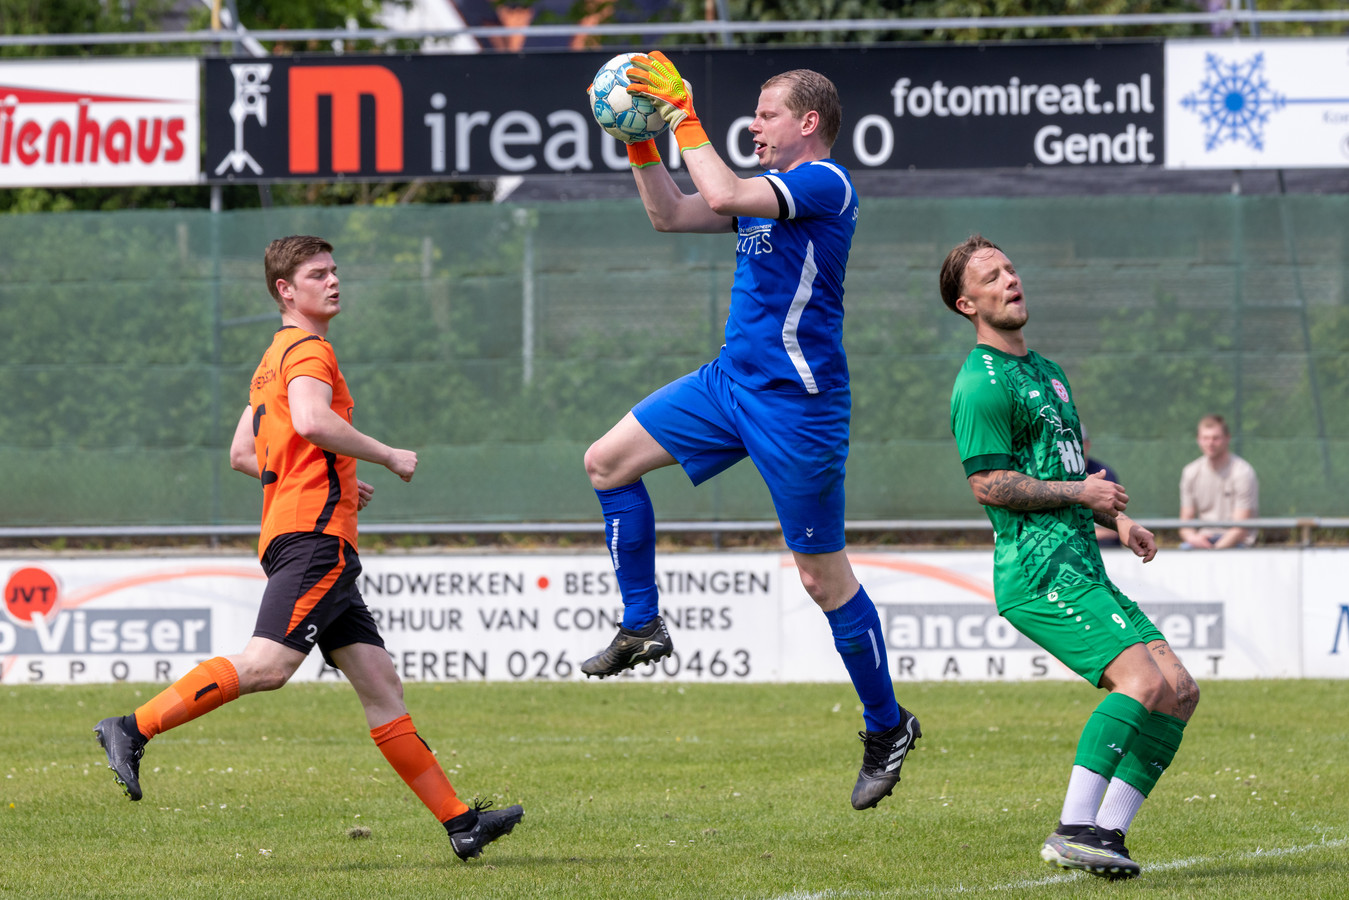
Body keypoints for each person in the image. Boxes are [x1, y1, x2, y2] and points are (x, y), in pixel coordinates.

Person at [94, 235, 523, 861]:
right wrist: (386, 455)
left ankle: (461, 823)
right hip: (314, 539)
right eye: (317, 274)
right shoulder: (310, 350)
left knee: (381, 684)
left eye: (334, 270)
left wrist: (335, 474)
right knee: (267, 666)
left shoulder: (272, 358)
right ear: (284, 290)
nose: (334, 280)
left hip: (304, 531)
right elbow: (314, 422)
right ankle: (130, 728)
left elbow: (246, 453)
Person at [580, 52, 920, 810]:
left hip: (798, 405)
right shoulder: (767, 191)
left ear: (807, 123)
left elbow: (724, 188)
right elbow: (669, 212)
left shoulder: (824, 183)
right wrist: (639, 135)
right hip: (730, 383)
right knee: (606, 463)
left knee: (820, 579)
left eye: (765, 115)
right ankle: (643, 627)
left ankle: (886, 725)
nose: (752, 125)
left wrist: (681, 117)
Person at [943, 235, 1199, 879]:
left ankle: (1105, 835)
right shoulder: (979, 382)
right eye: (991, 276)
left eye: (1011, 268)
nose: (1009, 279)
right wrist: (1081, 492)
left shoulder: (1049, 372)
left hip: (1082, 563)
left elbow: (1061, 468)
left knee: (1177, 691)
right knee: (1141, 682)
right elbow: (989, 484)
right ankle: (1072, 829)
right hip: (1036, 570)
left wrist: (1115, 514)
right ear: (965, 302)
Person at [1179, 414, 1259, 549]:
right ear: (1198, 440)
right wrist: (1194, 539)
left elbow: (1240, 528)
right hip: (1204, 540)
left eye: (1215, 438)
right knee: (1185, 548)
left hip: (1237, 544)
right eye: (1205, 438)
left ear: (1227, 438)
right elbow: (1185, 523)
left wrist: (1215, 551)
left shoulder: (1242, 472)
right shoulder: (1190, 472)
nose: (1210, 443)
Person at [1081, 423, 1121, 547]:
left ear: (1087, 444)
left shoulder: (1105, 474)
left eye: (1078, 442)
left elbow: (1111, 528)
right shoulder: (1053, 474)